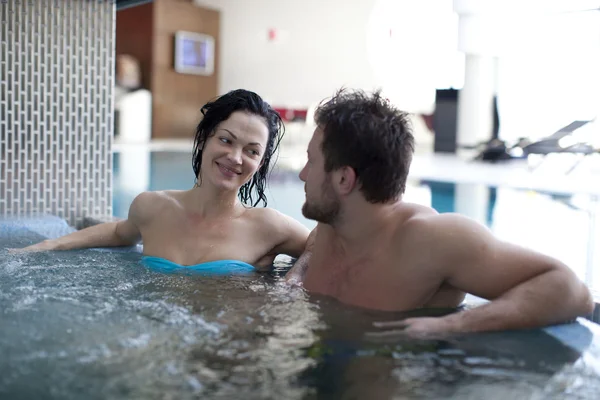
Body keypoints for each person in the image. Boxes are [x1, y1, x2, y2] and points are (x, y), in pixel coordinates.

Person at [285, 88, 594, 335]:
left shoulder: (430, 240)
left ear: (343, 179)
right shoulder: (333, 223)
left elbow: (571, 290)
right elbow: (314, 242)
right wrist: (299, 271)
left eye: (311, 161)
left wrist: (453, 326)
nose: (302, 173)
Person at [13, 89, 310, 273]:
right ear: (204, 138)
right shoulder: (153, 207)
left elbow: (328, 247)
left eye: (251, 151)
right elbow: (120, 232)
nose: (235, 157)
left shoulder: (269, 227)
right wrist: (50, 245)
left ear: (260, 163)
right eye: (225, 140)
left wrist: (297, 276)